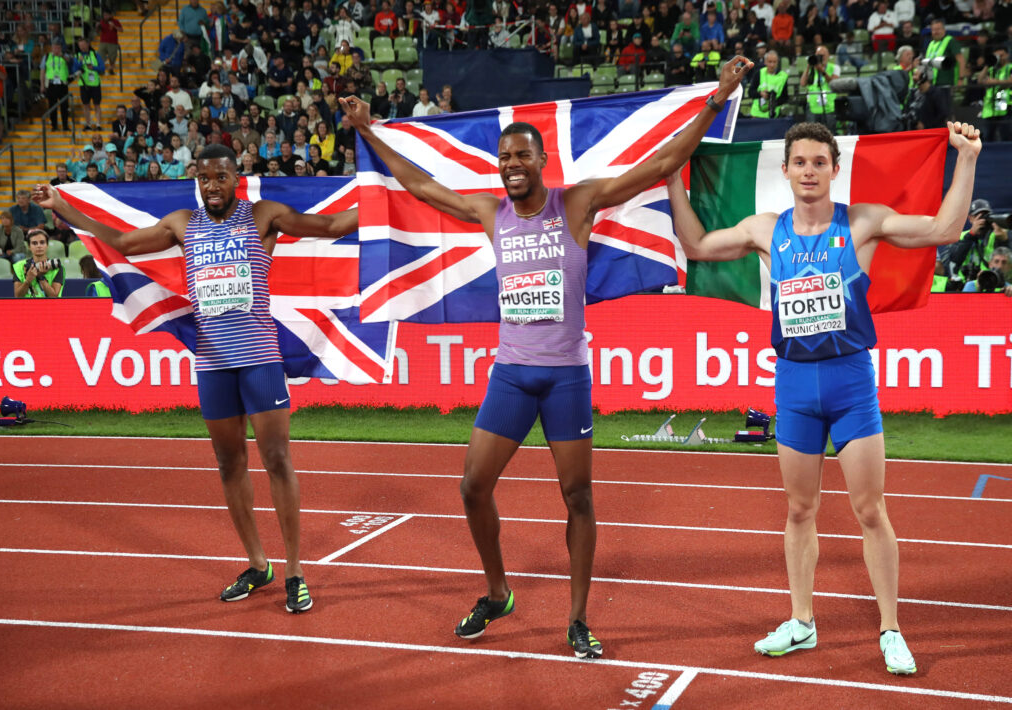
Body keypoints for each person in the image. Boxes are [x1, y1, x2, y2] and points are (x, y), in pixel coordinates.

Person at [340, 55, 753, 660]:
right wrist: (371, 130)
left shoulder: (576, 204)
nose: (512, 165)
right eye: (504, 157)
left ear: (542, 161)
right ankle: (498, 592)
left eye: (522, 156)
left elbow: (662, 162)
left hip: (565, 378)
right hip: (512, 374)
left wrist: (715, 100)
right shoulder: (491, 212)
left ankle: (578, 619)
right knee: (472, 488)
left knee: (578, 497)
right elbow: (422, 186)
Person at [665, 120, 982, 675]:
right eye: (800, 162)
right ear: (784, 170)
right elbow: (695, 245)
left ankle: (890, 629)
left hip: (849, 382)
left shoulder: (860, 222)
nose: (809, 171)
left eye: (819, 161)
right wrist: (671, 179)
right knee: (799, 509)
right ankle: (803, 622)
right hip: (794, 384)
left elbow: (944, 230)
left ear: (836, 168)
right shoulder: (767, 230)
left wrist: (968, 157)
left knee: (869, 509)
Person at [33, 143, 359, 613]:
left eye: (221, 177)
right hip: (211, 362)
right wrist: (63, 209)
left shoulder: (262, 216)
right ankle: (257, 563)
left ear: (235, 179)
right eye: (204, 178)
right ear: (197, 180)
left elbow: (330, 226)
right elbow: (122, 243)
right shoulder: (183, 224)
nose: (212, 186)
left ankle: (294, 570)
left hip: (259, 357)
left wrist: (384, 194)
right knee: (229, 463)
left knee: (277, 460)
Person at [13, 228, 64, 298]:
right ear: (29, 247)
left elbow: (54, 296)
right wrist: (28, 280)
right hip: (27, 307)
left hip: (49, 307)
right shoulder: (19, 266)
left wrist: (41, 277)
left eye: (42, 242)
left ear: (47, 245)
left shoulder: (57, 267)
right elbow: (18, 296)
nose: (39, 246)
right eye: (34, 243)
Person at [800, 45, 839, 130]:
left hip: (828, 107)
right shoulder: (811, 69)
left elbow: (834, 83)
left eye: (823, 55)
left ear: (828, 55)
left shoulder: (834, 68)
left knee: (829, 132)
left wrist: (822, 71)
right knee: (812, 133)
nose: (821, 58)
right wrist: (808, 66)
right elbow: (802, 83)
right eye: (818, 55)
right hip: (813, 107)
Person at [72, 37, 105, 131]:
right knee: (85, 104)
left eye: (83, 45)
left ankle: (98, 124)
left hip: (95, 83)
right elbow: (74, 69)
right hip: (84, 83)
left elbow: (102, 68)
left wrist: (93, 68)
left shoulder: (95, 54)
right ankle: (88, 124)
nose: (82, 47)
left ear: (88, 44)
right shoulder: (77, 56)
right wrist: (81, 62)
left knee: (97, 104)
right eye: (80, 46)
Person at [40, 40, 71, 132]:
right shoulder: (46, 57)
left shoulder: (65, 56)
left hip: (62, 84)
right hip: (51, 84)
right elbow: (42, 71)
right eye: (54, 47)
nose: (56, 49)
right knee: (52, 105)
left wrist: (61, 55)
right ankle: (54, 126)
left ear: (61, 48)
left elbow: (70, 61)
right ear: (51, 48)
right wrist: (42, 85)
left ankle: (65, 125)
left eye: (58, 47)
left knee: (64, 106)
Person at [749, 49, 788, 117]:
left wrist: (773, 100)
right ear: (765, 62)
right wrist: (760, 93)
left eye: (774, 62)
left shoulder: (783, 76)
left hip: (773, 115)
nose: (772, 65)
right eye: (769, 62)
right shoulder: (759, 73)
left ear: (777, 62)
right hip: (756, 115)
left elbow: (785, 97)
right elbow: (750, 92)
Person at [98, 8, 123, 75]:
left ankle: (111, 70)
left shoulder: (115, 21)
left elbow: (121, 30)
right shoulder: (101, 22)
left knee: (112, 58)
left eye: (106, 15)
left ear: (110, 15)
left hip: (112, 43)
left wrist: (114, 26)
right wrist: (97, 27)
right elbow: (98, 32)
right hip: (103, 42)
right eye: (104, 15)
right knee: (100, 56)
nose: (105, 17)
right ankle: (101, 70)